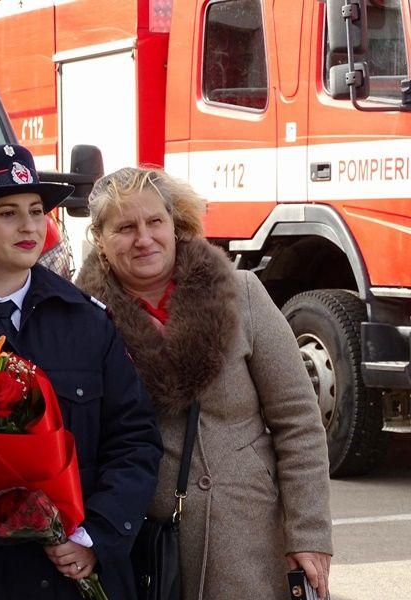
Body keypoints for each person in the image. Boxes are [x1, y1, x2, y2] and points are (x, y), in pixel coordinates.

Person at [75, 167, 334, 599]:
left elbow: (298, 421)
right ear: (99, 239)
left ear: (174, 225)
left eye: (155, 222)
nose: (144, 238)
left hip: (247, 539)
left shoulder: (240, 293)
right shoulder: (83, 318)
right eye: (125, 228)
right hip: (144, 548)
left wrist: (308, 533)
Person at [0, 144, 163, 600]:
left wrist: (95, 537)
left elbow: (135, 438)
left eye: (36, 211)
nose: (29, 226)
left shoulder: (86, 318)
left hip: (77, 573)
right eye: (8, 213)